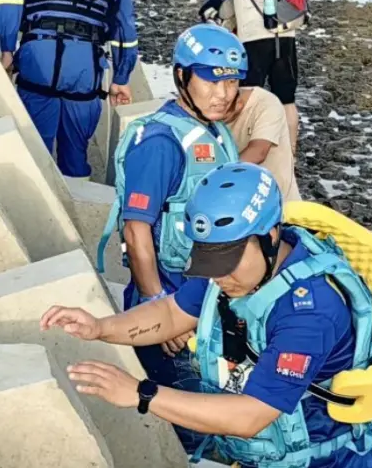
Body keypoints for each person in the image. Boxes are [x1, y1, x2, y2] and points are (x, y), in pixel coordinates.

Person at [46, 162, 372, 468]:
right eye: (210, 261)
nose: (218, 276)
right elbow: (172, 312)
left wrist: (141, 393)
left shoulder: (309, 312)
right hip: (262, 454)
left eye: (228, 261)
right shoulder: (233, 274)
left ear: (270, 237)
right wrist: (101, 327)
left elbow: (250, 416)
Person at [95, 23, 246, 449]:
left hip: (209, 302)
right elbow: (136, 229)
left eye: (232, 82)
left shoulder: (216, 132)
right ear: (182, 76)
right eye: (211, 80)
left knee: (214, 419)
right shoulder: (161, 141)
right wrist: (157, 304)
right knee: (195, 429)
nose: (223, 93)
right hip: (170, 308)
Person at [0, 0, 138, 178]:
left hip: (39, 58)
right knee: (76, 152)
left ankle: (42, 210)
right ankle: (78, 204)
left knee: (35, 151)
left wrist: (8, 47)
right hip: (86, 65)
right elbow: (123, 19)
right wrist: (122, 77)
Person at [197, 0, 304, 152]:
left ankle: (239, 150)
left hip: (255, 40)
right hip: (286, 36)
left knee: (244, 96)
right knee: (287, 100)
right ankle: (290, 153)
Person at [226, 86, 301, 203]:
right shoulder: (204, 108)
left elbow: (258, 152)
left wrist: (213, 178)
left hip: (280, 203)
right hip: (237, 202)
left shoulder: (266, 103)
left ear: (239, 104)